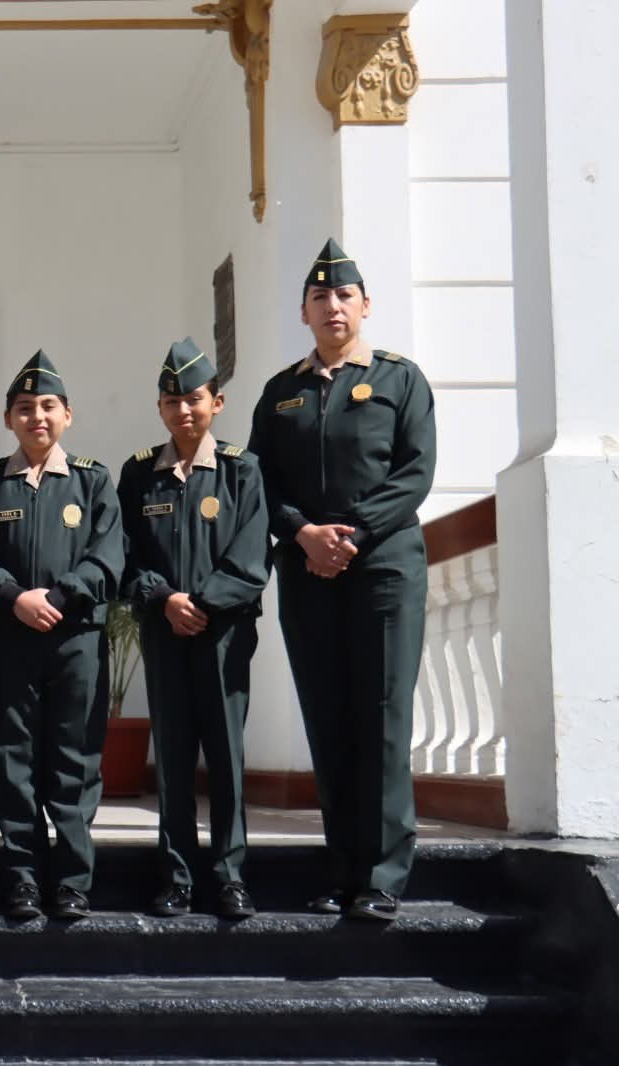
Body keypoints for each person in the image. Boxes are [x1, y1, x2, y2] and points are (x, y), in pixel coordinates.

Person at [247, 240, 436, 921]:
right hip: (308, 573)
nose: (333, 306)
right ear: (304, 311)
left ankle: (383, 878)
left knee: (382, 718)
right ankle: (343, 867)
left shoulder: (399, 379)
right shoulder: (281, 392)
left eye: (344, 296)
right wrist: (302, 533)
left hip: (383, 570)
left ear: (364, 306)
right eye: (320, 297)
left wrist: (349, 533)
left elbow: (414, 474)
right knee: (328, 719)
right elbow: (259, 482)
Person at [0, 351, 122, 921]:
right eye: (25, 409)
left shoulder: (94, 482)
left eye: (48, 407)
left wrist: (62, 595)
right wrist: (13, 596)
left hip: (75, 639)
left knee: (74, 758)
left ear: (67, 415)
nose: (37, 418)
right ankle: (22, 875)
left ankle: (71, 879)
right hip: (7, 637)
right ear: (8, 420)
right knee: (12, 756)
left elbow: (108, 557)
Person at [118, 338, 269, 920]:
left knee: (226, 759)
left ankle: (230, 877)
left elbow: (253, 558)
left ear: (217, 402)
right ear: (159, 408)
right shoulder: (139, 476)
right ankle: (176, 877)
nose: (184, 410)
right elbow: (124, 553)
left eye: (195, 399)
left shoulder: (242, 470)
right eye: (172, 400)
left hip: (224, 634)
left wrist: (200, 603)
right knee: (174, 758)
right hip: (164, 630)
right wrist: (165, 600)